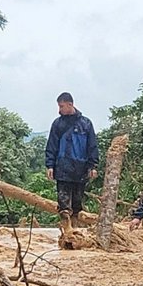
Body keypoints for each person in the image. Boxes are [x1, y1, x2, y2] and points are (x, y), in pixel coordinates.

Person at [45, 92, 98, 235]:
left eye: (61, 106)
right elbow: (52, 145)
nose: (59, 110)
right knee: (63, 202)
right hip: (62, 168)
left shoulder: (86, 124)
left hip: (80, 170)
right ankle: (66, 229)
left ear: (70, 104)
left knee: (77, 203)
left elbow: (92, 146)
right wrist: (50, 165)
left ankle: (76, 231)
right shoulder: (58, 124)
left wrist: (92, 166)